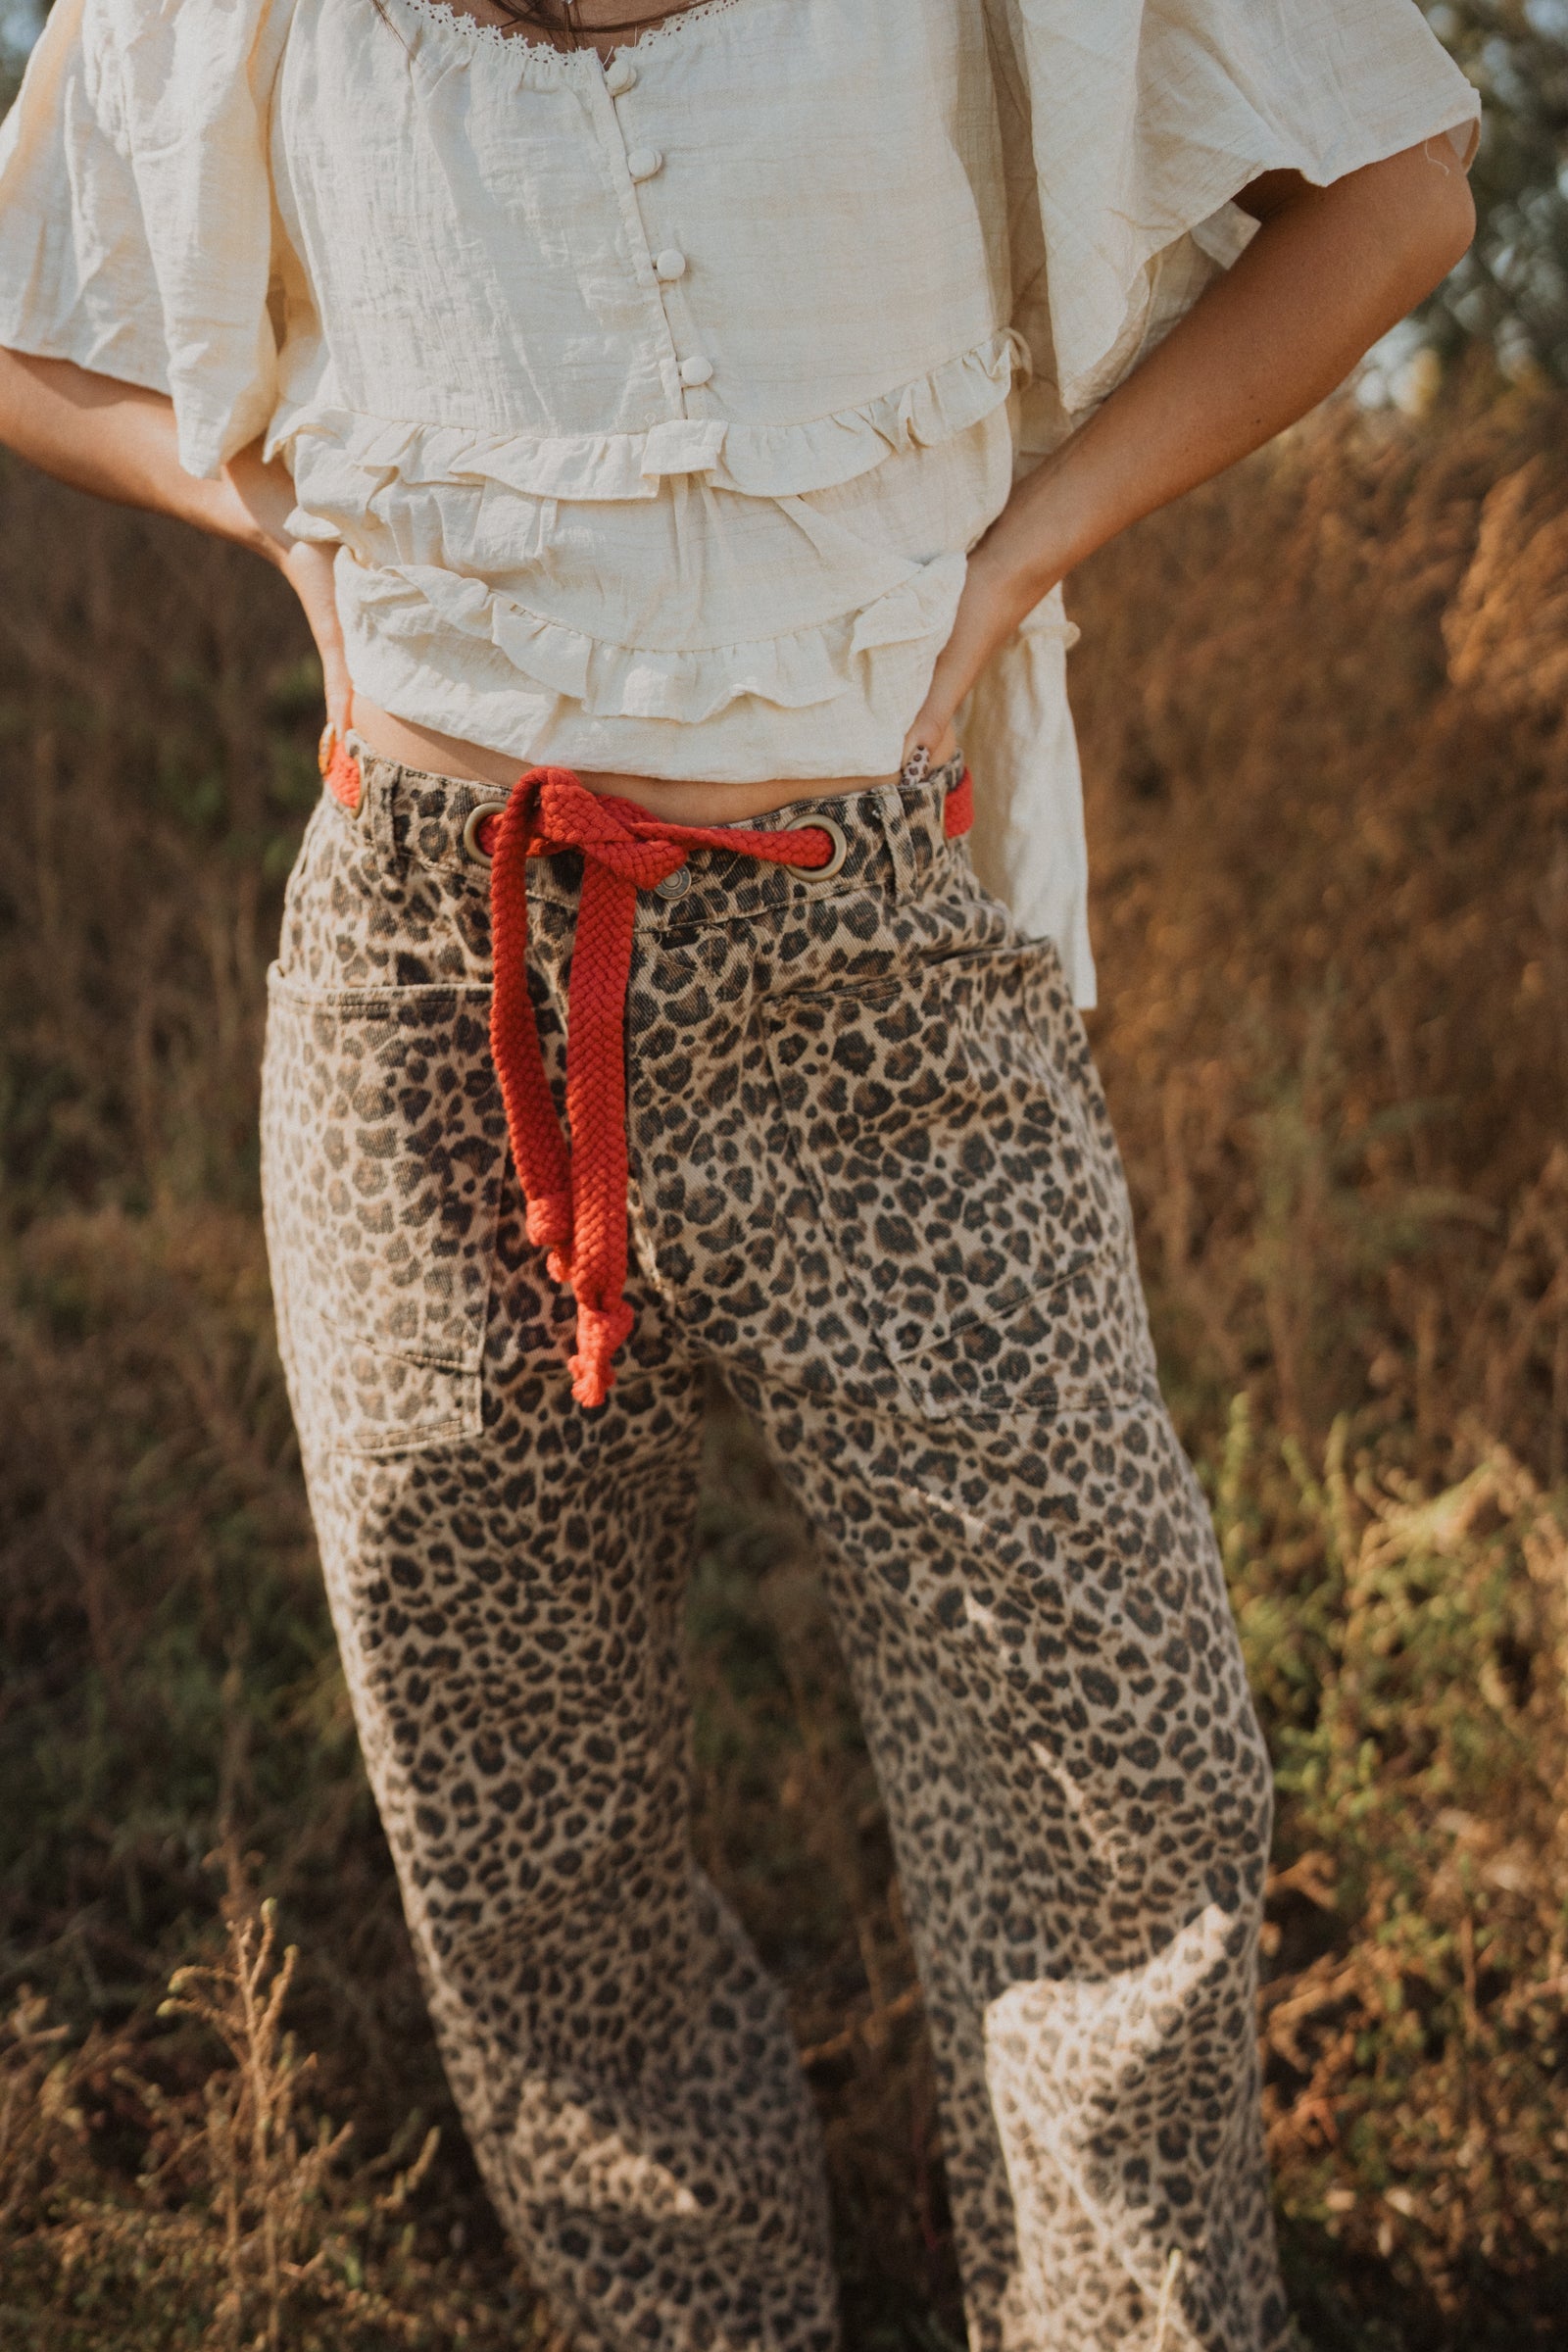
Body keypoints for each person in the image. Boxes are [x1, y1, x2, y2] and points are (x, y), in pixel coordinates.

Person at [0, 2, 1479, 2344]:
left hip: (876, 973)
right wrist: (262, 503)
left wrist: (1016, 554)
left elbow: (1394, 196)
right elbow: (17, 317)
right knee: (524, 1835)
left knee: (1123, 1783)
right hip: (425, 986)